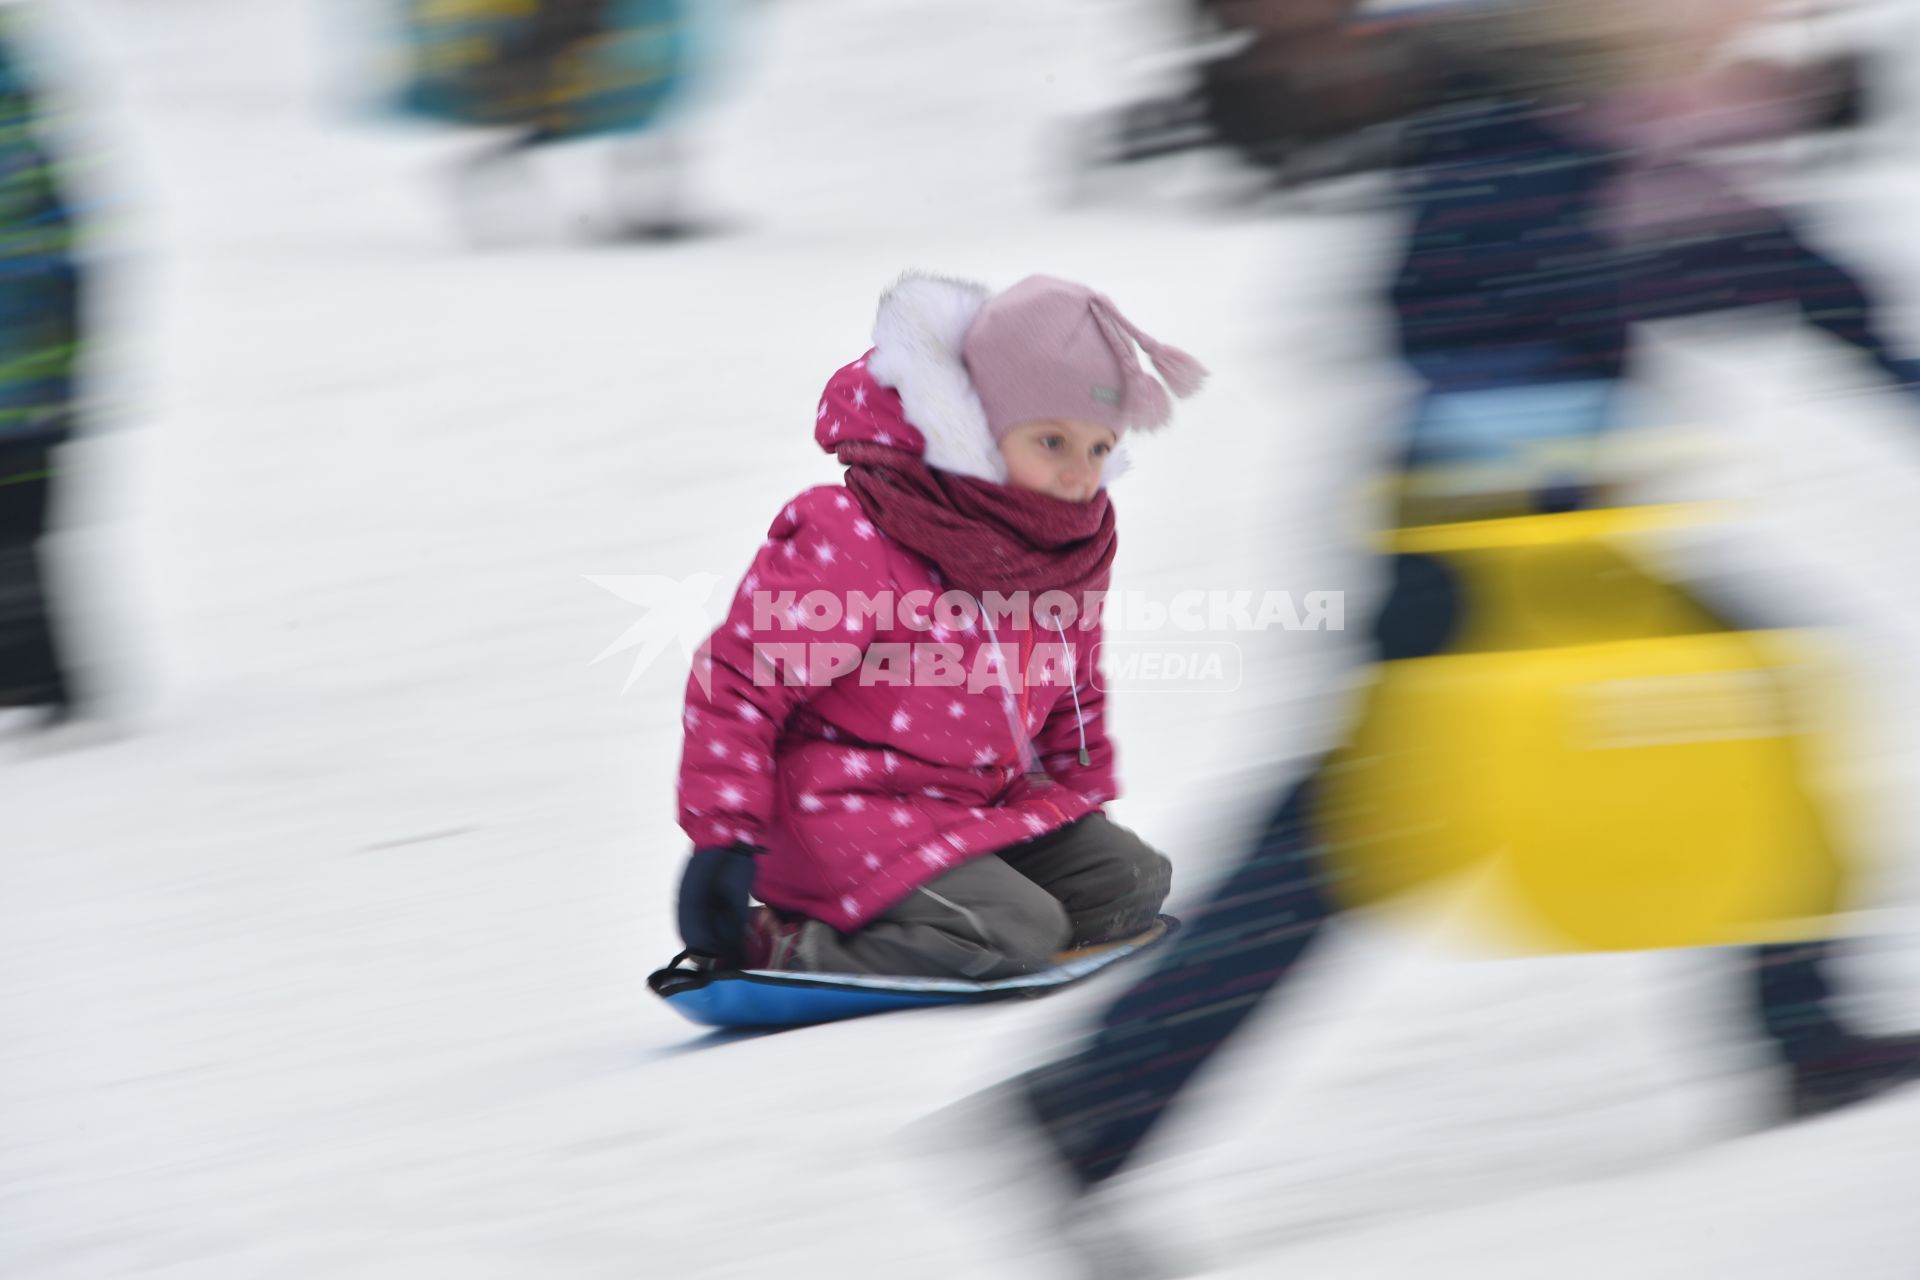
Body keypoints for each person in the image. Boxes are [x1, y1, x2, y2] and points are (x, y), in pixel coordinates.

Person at [965, 0, 1920, 1231]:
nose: (1747, 39)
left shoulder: (1622, 134)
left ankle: (1808, 1028)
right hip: (1474, 540)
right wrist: (1650, 252)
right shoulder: (1514, 126)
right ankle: (1092, 1105)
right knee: (1356, 833)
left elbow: (1793, 273)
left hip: (1561, 530)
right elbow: (1461, 289)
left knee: (1750, 700)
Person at [671, 273, 1206, 978]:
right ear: (978, 424)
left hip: (974, 805)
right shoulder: (860, 534)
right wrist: (723, 835)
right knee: (1015, 931)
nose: (1080, 475)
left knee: (1129, 882)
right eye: (1051, 441)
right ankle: (788, 943)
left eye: (1099, 447)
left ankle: (968, 909)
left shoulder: (1065, 546)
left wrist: (1083, 803)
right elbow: (741, 680)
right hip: (838, 814)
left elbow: (1075, 686)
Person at [0, 3, 83, 726]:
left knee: (18, 525)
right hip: (39, 347)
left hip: (25, 350)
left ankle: (44, 682)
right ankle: (42, 679)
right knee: (22, 526)